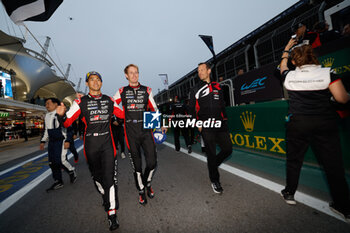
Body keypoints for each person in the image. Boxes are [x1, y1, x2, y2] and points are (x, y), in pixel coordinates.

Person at [279, 39, 350, 222]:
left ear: (295, 61)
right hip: (324, 123)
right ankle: (343, 207)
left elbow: (282, 66)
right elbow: (342, 99)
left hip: (298, 123)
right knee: (333, 166)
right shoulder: (328, 73)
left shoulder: (290, 75)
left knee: (294, 161)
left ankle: (289, 193)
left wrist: (287, 49)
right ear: (313, 56)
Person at [56, 71, 124, 231]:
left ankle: (112, 213)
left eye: (98, 79)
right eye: (91, 80)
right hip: (91, 145)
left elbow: (123, 114)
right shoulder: (80, 102)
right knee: (98, 179)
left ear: (101, 82)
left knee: (110, 180)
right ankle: (105, 194)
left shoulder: (109, 100)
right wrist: (60, 116)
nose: (95, 82)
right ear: (87, 84)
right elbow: (67, 123)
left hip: (108, 143)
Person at [113, 64, 166, 205]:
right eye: (131, 73)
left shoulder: (146, 90)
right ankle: (141, 190)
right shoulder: (122, 91)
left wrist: (159, 125)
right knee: (137, 166)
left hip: (146, 129)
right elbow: (112, 104)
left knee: (152, 162)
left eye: (136, 72)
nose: (134, 75)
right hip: (130, 131)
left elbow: (154, 108)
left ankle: (147, 182)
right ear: (126, 75)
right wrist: (122, 114)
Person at [188, 62, 233, 194]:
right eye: (198, 70)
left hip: (221, 125)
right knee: (211, 154)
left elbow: (222, 105)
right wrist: (198, 124)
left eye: (202, 70)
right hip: (206, 126)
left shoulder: (218, 86)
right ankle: (215, 180)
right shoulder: (195, 89)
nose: (200, 72)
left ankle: (213, 164)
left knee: (228, 149)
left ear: (209, 71)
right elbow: (191, 110)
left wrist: (225, 120)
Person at [40, 98, 77, 192]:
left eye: (48, 103)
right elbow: (46, 130)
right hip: (52, 142)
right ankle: (58, 181)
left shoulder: (61, 114)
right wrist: (43, 141)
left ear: (56, 104)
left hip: (61, 140)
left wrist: (68, 140)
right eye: (45, 104)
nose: (46, 105)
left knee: (61, 160)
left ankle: (71, 171)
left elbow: (69, 128)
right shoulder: (47, 116)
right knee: (52, 162)